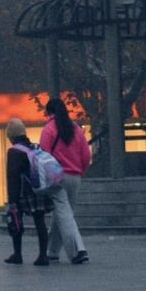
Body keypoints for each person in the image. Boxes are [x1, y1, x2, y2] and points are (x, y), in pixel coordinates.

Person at [38, 94, 92, 264]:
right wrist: (79, 172)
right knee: (61, 214)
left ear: (49, 112)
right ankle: (52, 251)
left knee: (64, 214)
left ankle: (78, 250)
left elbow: (43, 157)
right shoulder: (76, 129)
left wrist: (44, 180)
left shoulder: (49, 129)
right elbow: (86, 156)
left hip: (57, 178)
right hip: (75, 177)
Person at [2, 118, 53, 265]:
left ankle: (17, 254)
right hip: (39, 190)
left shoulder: (14, 152)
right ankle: (43, 255)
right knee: (40, 222)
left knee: (16, 220)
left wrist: (12, 200)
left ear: (11, 136)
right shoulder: (35, 147)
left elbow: (13, 177)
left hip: (23, 193)